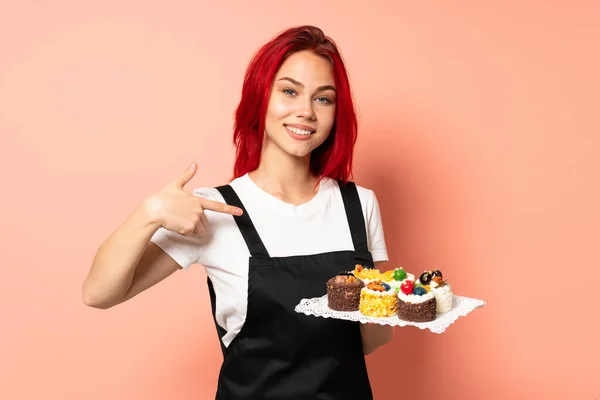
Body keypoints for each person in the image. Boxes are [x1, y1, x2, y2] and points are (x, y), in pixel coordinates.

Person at [83, 25, 393, 399]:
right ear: (261, 96)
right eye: (289, 91)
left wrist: (385, 303)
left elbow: (372, 340)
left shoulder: (358, 204)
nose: (305, 111)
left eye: (323, 99)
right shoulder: (213, 210)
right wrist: (150, 212)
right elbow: (99, 294)